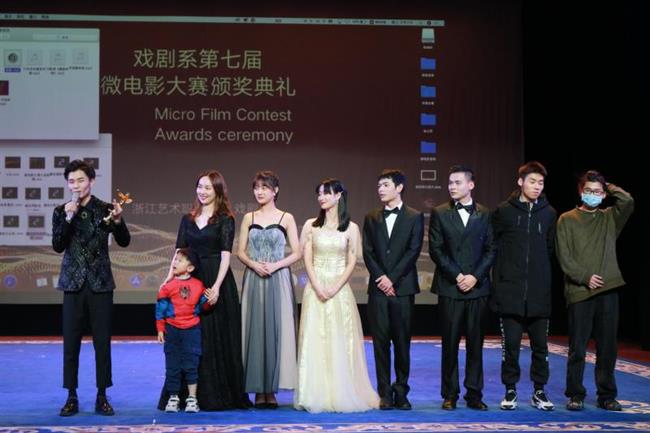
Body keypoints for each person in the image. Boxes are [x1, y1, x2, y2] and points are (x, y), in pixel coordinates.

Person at [157, 170, 250, 411]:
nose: (203, 191)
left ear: (218, 191)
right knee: (189, 340)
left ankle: (216, 395)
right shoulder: (187, 219)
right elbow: (179, 253)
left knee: (216, 337)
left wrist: (216, 287)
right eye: (200, 186)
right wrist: (169, 279)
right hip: (189, 282)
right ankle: (184, 395)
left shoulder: (226, 219)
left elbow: (226, 256)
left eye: (208, 187)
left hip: (216, 281)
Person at [52, 159, 131, 416]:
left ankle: (102, 395)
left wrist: (118, 221)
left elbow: (124, 241)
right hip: (73, 284)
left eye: (81, 180)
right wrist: (68, 217)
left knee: (102, 343)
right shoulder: (61, 211)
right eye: (71, 181)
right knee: (71, 343)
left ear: (92, 181)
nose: (76, 185)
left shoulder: (105, 209)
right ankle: (71, 396)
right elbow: (58, 245)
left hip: (100, 284)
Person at [294, 178, 379, 413]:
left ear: (339, 195)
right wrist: (317, 286)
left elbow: (352, 261)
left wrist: (335, 287)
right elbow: (306, 258)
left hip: (340, 290)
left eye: (326, 193)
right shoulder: (310, 225)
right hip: (315, 289)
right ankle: (315, 394)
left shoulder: (351, 227)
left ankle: (342, 391)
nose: (321, 198)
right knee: (315, 340)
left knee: (341, 341)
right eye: (319, 193)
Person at [556, 170, 634, 412]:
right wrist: (584, 278)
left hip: (608, 290)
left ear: (604, 194)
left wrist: (606, 184)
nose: (593, 194)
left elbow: (628, 201)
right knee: (577, 348)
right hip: (580, 292)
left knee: (608, 347)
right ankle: (575, 394)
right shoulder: (567, 219)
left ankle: (607, 395)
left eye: (597, 192)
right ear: (581, 191)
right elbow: (564, 257)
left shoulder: (609, 218)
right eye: (588, 190)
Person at [491, 161, 557, 411]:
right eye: (532, 181)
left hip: (539, 293)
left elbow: (550, 249)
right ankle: (510, 390)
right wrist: (500, 284)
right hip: (510, 293)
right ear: (520, 182)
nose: (537, 186)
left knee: (541, 347)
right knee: (511, 348)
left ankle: (539, 391)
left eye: (541, 183)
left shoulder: (549, 213)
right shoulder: (503, 211)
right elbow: (494, 248)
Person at [428, 165, 495, 410]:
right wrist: (458, 276)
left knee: (476, 344)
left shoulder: (485, 213)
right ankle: (450, 393)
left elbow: (491, 249)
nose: (452, 187)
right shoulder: (439, 212)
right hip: (450, 287)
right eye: (450, 183)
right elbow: (436, 250)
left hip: (477, 288)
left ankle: (474, 394)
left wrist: (475, 277)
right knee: (450, 344)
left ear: (471, 185)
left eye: (457, 182)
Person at [237, 171, 301, 409]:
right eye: (256, 188)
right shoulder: (249, 217)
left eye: (264, 187)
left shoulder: (286, 217)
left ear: (275, 191)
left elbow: (297, 252)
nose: (259, 192)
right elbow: (240, 251)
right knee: (254, 330)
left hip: (278, 278)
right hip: (254, 279)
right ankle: (257, 389)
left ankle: (271, 390)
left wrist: (275, 265)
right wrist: (254, 265)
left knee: (276, 330)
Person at [362, 169, 424, 410]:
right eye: (379, 185)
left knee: (401, 342)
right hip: (378, 290)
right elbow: (368, 251)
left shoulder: (414, 216)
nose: (380, 189)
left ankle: (401, 392)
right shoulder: (371, 217)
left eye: (386, 185)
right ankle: (385, 393)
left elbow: (413, 250)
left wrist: (393, 279)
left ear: (399, 188)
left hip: (403, 289)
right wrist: (381, 278)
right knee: (380, 344)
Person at [156, 248, 210, 413]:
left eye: (180, 260)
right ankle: (173, 397)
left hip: (192, 330)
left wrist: (209, 300)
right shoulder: (167, 287)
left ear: (190, 268)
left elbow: (202, 307)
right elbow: (161, 309)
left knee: (191, 364)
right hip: (172, 330)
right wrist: (160, 329)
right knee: (172, 365)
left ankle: (192, 398)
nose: (175, 262)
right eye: (175, 259)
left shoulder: (198, 285)